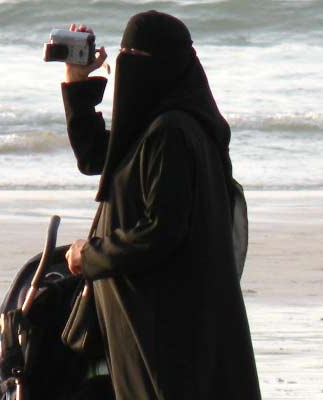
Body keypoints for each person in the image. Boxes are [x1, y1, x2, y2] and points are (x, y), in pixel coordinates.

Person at [62, 11, 262, 400]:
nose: (126, 68)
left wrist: (92, 256)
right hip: (168, 324)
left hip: (167, 332)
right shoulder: (168, 128)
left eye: (132, 57)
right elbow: (94, 157)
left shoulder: (171, 133)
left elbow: (161, 231)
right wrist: (77, 83)